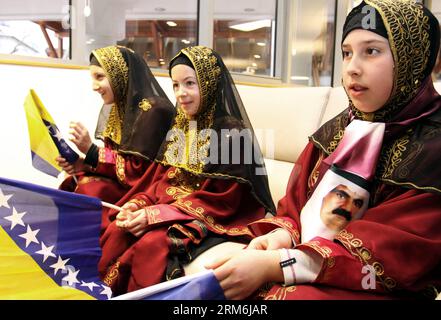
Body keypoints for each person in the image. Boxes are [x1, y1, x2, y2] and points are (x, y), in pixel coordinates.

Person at [208, 0, 441, 300]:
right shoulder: (337, 130)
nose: (352, 68)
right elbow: (294, 208)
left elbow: (390, 253)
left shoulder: (433, 147)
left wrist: (275, 265)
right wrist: (280, 236)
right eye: (347, 53)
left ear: (411, 60)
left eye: (371, 51)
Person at [97, 46, 275, 295]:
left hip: (214, 216)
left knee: (151, 243)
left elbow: (224, 200)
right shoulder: (182, 126)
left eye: (190, 83)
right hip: (173, 209)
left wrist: (157, 214)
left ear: (210, 83)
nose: (181, 94)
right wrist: (140, 203)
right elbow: (163, 179)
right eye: (176, 85)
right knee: (119, 228)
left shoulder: (231, 134)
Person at [55, 45, 175, 231]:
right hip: (124, 184)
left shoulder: (153, 110)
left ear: (120, 74)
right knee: (73, 181)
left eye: (100, 77)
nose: (94, 87)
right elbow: (115, 157)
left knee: (88, 189)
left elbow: (138, 172)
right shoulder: (121, 107)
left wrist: (91, 150)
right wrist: (83, 163)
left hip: (145, 190)